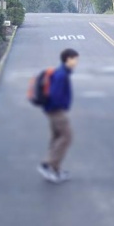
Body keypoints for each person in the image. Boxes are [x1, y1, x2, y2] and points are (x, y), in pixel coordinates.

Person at [38, 48, 79, 183]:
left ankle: (54, 169)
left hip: (53, 110)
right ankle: (48, 165)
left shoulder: (62, 72)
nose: (77, 62)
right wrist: (60, 106)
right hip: (56, 111)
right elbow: (54, 94)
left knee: (57, 137)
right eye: (75, 59)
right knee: (67, 137)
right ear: (68, 59)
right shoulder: (61, 75)